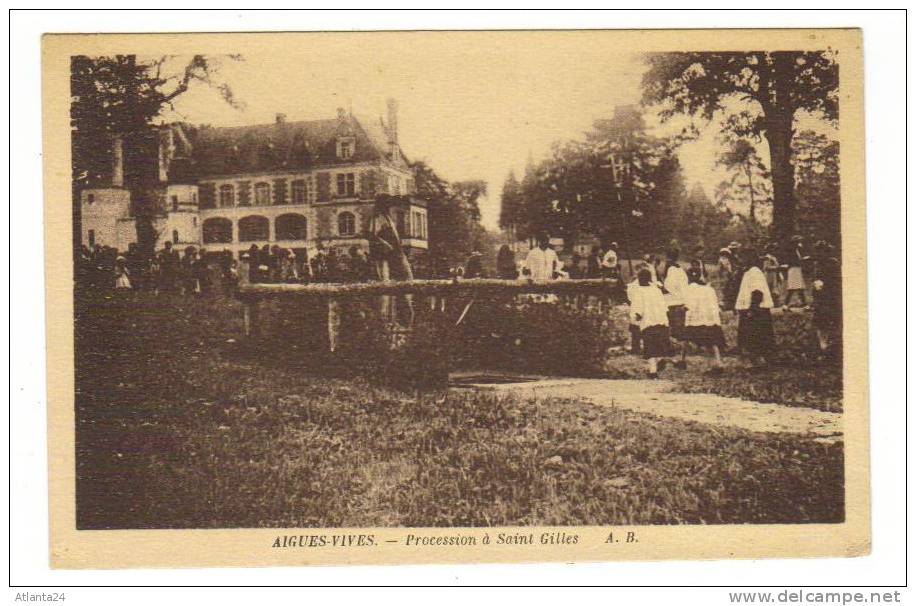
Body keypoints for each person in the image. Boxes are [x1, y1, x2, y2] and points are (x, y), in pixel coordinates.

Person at [368, 196, 415, 326]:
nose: (391, 206)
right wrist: (386, 245)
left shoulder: (388, 218)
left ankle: (405, 320)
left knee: (406, 283)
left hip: (396, 254)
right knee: (387, 287)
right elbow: (371, 235)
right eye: (388, 204)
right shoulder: (378, 217)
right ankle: (388, 321)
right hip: (386, 257)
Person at [680, 267, 726, 374]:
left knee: (688, 339)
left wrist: (682, 309)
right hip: (711, 320)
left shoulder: (690, 288)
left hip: (697, 320)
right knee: (712, 342)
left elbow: (688, 305)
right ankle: (718, 362)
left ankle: (683, 360)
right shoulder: (709, 289)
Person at [629, 268, 673, 379]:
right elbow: (665, 308)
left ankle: (653, 372)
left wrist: (635, 319)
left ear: (639, 279)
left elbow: (638, 311)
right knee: (659, 345)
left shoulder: (639, 292)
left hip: (648, 323)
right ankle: (660, 360)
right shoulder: (656, 290)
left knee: (650, 348)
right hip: (661, 321)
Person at [735, 250, 776, 366]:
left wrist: (752, 309)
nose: (740, 261)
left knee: (755, 335)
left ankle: (759, 361)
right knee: (752, 336)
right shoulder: (748, 272)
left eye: (743, 258)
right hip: (751, 309)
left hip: (755, 310)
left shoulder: (755, 272)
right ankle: (755, 360)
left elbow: (757, 291)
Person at [812, 241, 842, 357]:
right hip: (823, 297)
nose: (819, 254)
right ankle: (824, 347)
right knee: (822, 322)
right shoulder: (819, 264)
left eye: (821, 251)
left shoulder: (831, 263)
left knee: (828, 321)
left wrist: (822, 285)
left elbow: (835, 281)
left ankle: (827, 347)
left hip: (829, 296)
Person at [663, 249, 689, 342]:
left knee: (674, 323)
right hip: (682, 297)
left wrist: (662, 287)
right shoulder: (680, 269)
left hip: (674, 299)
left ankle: (674, 340)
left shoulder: (671, 269)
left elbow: (669, 285)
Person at [785, 236, 807, 308]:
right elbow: (792, 261)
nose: (799, 243)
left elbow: (798, 259)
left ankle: (804, 304)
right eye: (798, 241)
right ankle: (785, 304)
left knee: (799, 287)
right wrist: (802, 260)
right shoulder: (791, 250)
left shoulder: (797, 250)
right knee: (792, 287)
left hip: (797, 269)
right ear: (795, 242)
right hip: (793, 269)